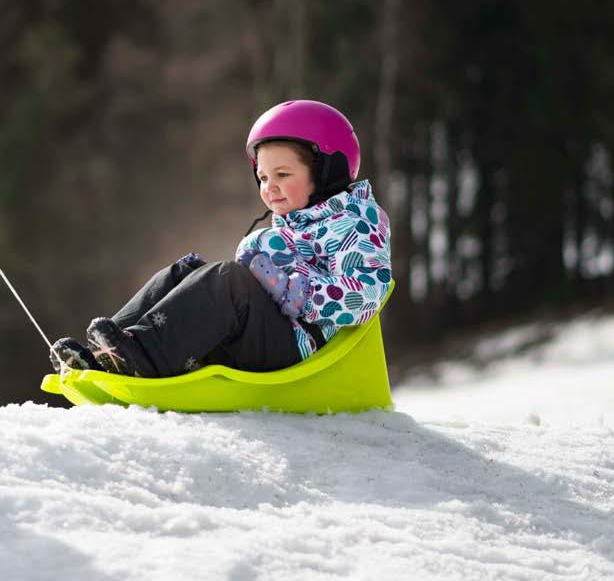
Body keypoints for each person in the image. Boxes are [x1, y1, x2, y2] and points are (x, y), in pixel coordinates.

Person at [49, 100, 392, 378]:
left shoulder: (354, 221)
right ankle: (108, 353)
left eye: (282, 175)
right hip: (263, 333)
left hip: (298, 344)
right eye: (261, 177)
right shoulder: (291, 225)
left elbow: (369, 293)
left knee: (228, 280)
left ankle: (143, 357)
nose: (268, 187)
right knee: (184, 271)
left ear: (326, 171)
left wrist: (298, 293)